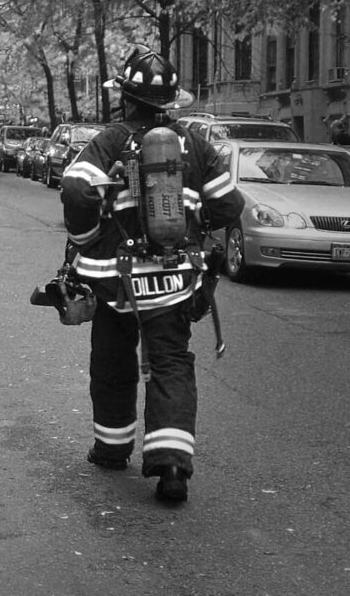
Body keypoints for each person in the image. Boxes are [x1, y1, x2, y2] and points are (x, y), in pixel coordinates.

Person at [60, 45, 243, 503]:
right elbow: (228, 206)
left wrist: (85, 243)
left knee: (113, 356)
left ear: (127, 97)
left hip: (117, 275)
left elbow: (77, 191)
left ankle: (112, 447)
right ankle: (172, 466)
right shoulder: (194, 143)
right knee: (171, 361)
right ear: (169, 102)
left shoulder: (110, 140)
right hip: (175, 275)